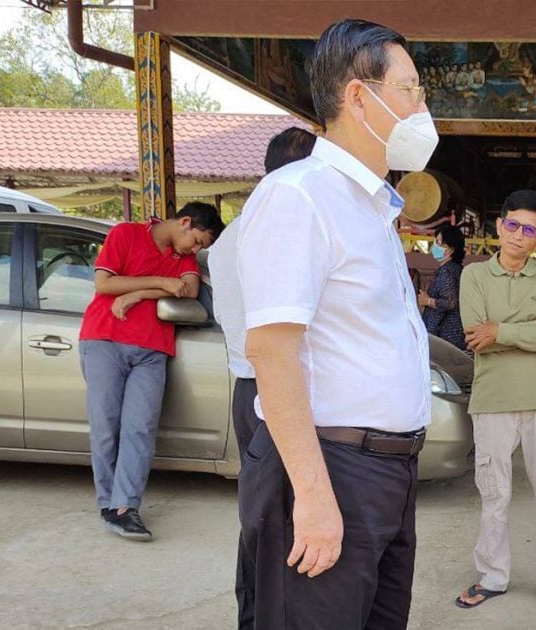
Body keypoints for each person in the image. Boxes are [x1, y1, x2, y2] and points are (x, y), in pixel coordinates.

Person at [233, 19, 438, 629]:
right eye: (410, 89)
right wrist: (316, 497)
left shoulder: (371, 206)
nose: (420, 107)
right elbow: (271, 352)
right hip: (328, 469)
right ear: (358, 96)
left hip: (387, 473)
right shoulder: (299, 196)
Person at [453, 190, 536, 619]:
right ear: (499, 226)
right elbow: (475, 338)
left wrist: (501, 331)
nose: (518, 236)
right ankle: (492, 576)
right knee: (494, 495)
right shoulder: (473, 276)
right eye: (512, 225)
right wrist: (528, 328)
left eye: (530, 230)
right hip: (492, 402)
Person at [207, 126, 316, 628]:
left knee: (261, 517)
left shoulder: (237, 231)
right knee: (278, 522)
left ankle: (254, 614)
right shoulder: (273, 228)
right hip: (272, 390)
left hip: (249, 387)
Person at [79, 201, 225, 541]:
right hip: (104, 339)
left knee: (140, 429)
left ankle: (125, 507)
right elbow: (103, 284)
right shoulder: (125, 233)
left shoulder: (184, 258)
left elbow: (186, 291)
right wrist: (160, 282)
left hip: (153, 349)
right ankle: (108, 503)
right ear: (185, 222)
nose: (197, 250)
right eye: (199, 241)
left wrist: (138, 293)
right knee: (106, 426)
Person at [419, 224, 468, 351]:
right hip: (454, 336)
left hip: (446, 337)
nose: (435, 246)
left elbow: (450, 302)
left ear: (450, 250)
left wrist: (427, 301)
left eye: (439, 243)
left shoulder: (447, 272)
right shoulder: (456, 269)